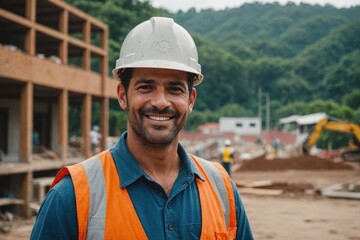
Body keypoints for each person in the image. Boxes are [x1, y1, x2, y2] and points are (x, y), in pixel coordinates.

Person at [30, 17, 253, 239]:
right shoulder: (72, 197)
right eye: (146, 87)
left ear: (191, 99)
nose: (161, 102)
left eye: (175, 89)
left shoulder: (222, 189)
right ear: (122, 96)